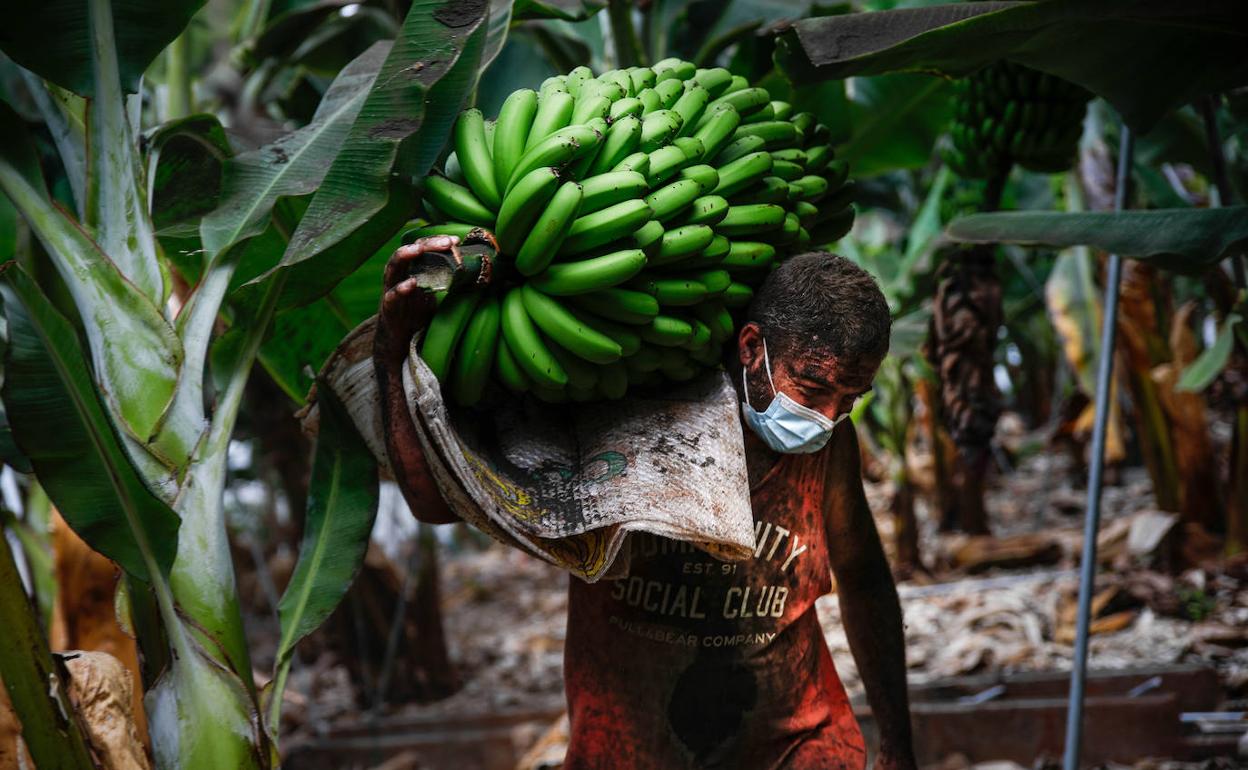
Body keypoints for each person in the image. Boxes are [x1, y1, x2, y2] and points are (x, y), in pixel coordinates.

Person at [374, 236, 916, 770]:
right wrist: (392, 349)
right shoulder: (621, 409)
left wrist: (896, 742)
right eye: (813, 388)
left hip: (796, 742)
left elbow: (862, 573)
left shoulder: (828, 443)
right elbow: (434, 503)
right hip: (629, 747)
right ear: (752, 347)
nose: (827, 416)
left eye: (850, 400)